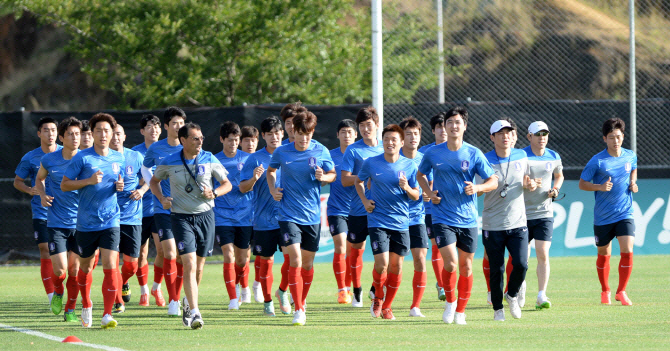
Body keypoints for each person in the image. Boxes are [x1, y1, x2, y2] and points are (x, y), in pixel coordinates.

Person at [417, 107, 498, 324]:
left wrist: (478, 188)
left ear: (465, 126)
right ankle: (450, 302)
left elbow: (493, 181)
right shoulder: (433, 153)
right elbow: (420, 174)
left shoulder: (473, 153)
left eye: (458, 122)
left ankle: (461, 311)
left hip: (468, 219)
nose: (454, 126)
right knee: (451, 264)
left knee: (467, 266)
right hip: (442, 217)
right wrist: (428, 192)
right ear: (445, 126)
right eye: (450, 122)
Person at [151, 122, 231, 329]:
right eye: (195, 138)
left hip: (206, 217)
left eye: (201, 138)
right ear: (183, 140)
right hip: (180, 218)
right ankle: (195, 312)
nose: (200, 141)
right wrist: (162, 199)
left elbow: (227, 184)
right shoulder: (169, 161)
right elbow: (153, 182)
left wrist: (214, 193)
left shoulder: (209, 158)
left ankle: (188, 301)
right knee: (189, 263)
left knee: (200, 265)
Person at [267, 110, 336, 326]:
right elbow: (271, 171)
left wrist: (323, 177)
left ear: (312, 132)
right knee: (294, 259)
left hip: (312, 216)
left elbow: (332, 174)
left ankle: (301, 301)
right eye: (300, 133)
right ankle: (299, 310)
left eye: (308, 133)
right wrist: (272, 189)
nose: (304, 138)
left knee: (307, 265)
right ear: (293, 132)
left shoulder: (321, 150)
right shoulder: (282, 152)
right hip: (288, 214)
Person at [62, 113, 126, 329]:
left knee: (110, 264)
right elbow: (64, 184)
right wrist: (88, 181)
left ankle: (107, 314)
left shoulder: (119, 158)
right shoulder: (82, 158)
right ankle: (86, 303)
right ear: (92, 132)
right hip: (86, 223)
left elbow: (121, 182)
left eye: (106, 130)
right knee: (86, 268)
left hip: (111, 220)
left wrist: (120, 186)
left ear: (112, 133)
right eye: (98, 130)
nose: (102, 134)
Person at [356, 124, 420, 321]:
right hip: (378, 220)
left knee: (397, 267)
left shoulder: (410, 165)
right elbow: (359, 181)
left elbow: (416, 195)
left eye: (394, 140)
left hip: (401, 223)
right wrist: (365, 201)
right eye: (386, 140)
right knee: (382, 264)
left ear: (401, 143)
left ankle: (388, 307)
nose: (390, 143)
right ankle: (378, 297)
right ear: (382, 142)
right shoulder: (371, 163)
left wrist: (407, 187)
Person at [481, 119, 537, 322]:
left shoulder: (522, 155)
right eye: (500, 133)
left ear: (514, 136)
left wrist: (529, 184)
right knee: (497, 269)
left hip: (518, 222)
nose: (506, 136)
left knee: (522, 264)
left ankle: (511, 295)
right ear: (492, 137)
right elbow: (479, 190)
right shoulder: (485, 160)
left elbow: (526, 179)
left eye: (509, 133)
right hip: (492, 224)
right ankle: (498, 309)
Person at [578, 118, 637, 306]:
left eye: (618, 137)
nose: (616, 141)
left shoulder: (630, 156)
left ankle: (621, 291)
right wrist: (600, 187)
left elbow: (633, 169)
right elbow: (582, 184)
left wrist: (633, 183)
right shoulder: (597, 161)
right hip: (603, 217)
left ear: (623, 137)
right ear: (605, 139)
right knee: (604, 253)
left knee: (627, 250)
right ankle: (605, 290)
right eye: (611, 137)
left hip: (625, 213)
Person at [34, 117, 82, 322]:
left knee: (75, 270)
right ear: (61, 138)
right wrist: (43, 195)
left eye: (77, 134)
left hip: (82, 224)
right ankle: (57, 291)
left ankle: (70, 309)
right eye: (70, 134)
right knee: (61, 270)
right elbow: (39, 179)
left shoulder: (87, 158)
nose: (74, 137)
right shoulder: (50, 159)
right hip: (56, 223)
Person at [240, 116, 285, 317]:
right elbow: (242, 187)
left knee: (294, 259)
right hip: (263, 220)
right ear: (264, 136)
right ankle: (267, 301)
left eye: (277, 133)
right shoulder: (254, 159)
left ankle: (283, 291)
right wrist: (253, 178)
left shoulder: (291, 155)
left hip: (288, 218)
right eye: (270, 134)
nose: (274, 137)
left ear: (282, 133)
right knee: (266, 262)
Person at [142, 107, 186, 316]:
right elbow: (145, 168)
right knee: (168, 253)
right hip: (162, 209)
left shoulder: (189, 146)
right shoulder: (156, 149)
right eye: (174, 123)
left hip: (186, 210)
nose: (178, 127)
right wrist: (158, 194)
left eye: (181, 123)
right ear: (166, 126)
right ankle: (173, 301)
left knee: (181, 257)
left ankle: (173, 293)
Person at [14, 117, 61, 306]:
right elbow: (18, 181)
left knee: (65, 256)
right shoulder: (30, 157)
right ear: (39, 133)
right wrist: (29, 190)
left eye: (53, 130)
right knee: (44, 249)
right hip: (41, 211)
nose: (50, 134)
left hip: (66, 212)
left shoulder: (67, 154)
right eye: (46, 130)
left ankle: (63, 287)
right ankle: (52, 297)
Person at [340, 106, 384, 308]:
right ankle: (356, 289)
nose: (366, 129)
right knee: (356, 251)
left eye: (369, 125)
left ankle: (375, 287)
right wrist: (363, 177)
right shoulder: (353, 150)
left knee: (382, 254)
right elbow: (344, 179)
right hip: (358, 209)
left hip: (382, 212)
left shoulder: (386, 147)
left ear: (377, 125)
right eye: (362, 125)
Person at [523, 121, 564, 309]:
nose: (542, 138)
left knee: (543, 252)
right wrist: (528, 183)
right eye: (538, 134)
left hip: (544, 213)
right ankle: (518, 288)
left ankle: (541, 294)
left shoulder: (553, 156)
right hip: (521, 214)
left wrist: (555, 189)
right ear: (529, 136)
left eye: (544, 134)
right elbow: (514, 178)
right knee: (521, 258)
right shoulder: (521, 156)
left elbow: (559, 175)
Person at [214, 121, 254, 310]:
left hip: (245, 215)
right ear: (222, 139)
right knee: (228, 255)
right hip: (221, 215)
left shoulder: (248, 159)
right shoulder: (212, 160)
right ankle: (232, 298)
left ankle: (242, 286)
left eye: (236, 140)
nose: (233, 144)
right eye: (229, 140)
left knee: (242, 259)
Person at [110, 124, 148, 314]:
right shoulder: (102, 158)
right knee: (112, 262)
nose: (115, 137)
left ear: (124, 136)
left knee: (132, 264)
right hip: (110, 218)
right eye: (112, 134)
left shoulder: (136, 156)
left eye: (118, 134)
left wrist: (141, 190)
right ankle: (118, 301)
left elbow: (151, 178)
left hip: (133, 217)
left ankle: (124, 281)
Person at [398, 117, 430, 317]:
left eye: (415, 134)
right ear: (402, 138)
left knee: (420, 259)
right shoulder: (392, 157)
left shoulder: (425, 159)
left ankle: (415, 306)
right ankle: (380, 294)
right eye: (408, 134)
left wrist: (429, 192)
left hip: (417, 217)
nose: (412, 137)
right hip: (394, 218)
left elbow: (430, 184)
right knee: (394, 264)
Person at [131, 114, 163, 306]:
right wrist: (142, 185)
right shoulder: (135, 153)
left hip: (161, 209)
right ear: (142, 131)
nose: (154, 129)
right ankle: (143, 291)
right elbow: (132, 180)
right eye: (150, 126)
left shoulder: (168, 151)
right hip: (139, 211)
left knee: (164, 251)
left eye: (157, 126)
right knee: (141, 254)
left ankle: (156, 288)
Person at [418, 112, 449, 301]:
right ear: (433, 130)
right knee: (436, 245)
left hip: (453, 207)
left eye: (446, 126)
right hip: (431, 207)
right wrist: (425, 192)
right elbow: (418, 175)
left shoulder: (459, 150)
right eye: (439, 127)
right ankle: (442, 285)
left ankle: (448, 281)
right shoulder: (425, 153)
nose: (443, 130)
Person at [326, 119, 357, 304]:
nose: (347, 135)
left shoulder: (362, 155)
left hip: (357, 210)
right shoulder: (329, 156)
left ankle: (349, 286)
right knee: (341, 247)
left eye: (350, 132)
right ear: (338, 135)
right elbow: (324, 176)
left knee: (352, 251)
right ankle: (341, 290)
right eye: (343, 132)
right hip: (336, 209)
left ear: (356, 135)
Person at [240, 125, 262, 302]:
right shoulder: (237, 160)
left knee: (262, 254)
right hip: (241, 215)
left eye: (253, 140)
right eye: (246, 140)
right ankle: (245, 288)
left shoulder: (263, 159)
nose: (250, 143)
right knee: (245, 255)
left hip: (262, 213)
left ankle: (258, 284)